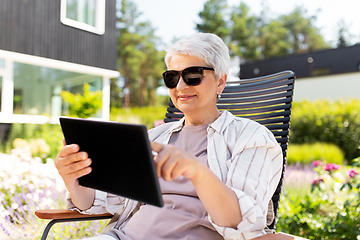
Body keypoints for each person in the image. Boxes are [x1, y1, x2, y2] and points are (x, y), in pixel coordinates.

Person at [55, 33, 283, 240]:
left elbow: (242, 223)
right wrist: (74, 180)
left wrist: (197, 171)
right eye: (172, 77)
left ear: (221, 82)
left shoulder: (251, 138)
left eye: (193, 75)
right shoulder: (155, 137)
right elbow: (104, 202)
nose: (181, 85)